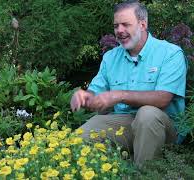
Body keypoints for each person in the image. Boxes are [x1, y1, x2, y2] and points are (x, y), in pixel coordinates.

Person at [70, 0, 187, 166]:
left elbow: (163, 98)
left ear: (142, 24)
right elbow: (96, 93)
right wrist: (85, 97)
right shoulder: (110, 58)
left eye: (125, 24)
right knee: (81, 137)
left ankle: (145, 173)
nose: (119, 31)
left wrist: (119, 95)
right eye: (116, 26)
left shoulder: (170, 53)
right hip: (125, 123)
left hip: (162, 127)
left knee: (147, 115)